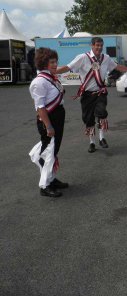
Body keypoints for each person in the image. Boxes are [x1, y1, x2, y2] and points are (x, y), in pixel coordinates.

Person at [56, 37, 127, 153]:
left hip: (100, 92)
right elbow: (68, 67)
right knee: (88, 119)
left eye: (101, 45)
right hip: (87, 94)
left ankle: (102, 138)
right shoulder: (82, 57)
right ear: (92, 46)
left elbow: (117, 67)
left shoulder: (106, 58)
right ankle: (92, 142)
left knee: (102, 113)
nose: (99, 47)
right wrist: (53, 72)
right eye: (97, 45)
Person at [29, 48, 69, 197]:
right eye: (51, 62)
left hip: (57, 116)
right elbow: (40, 107)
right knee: (49, 152)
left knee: (53, 150)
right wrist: (48, 126)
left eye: (55, 61)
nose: (55, 64)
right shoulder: (39, 82)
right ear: (43, 63)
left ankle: (51, 179)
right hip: (49, 119)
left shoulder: (51, 78)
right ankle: (45, 185)